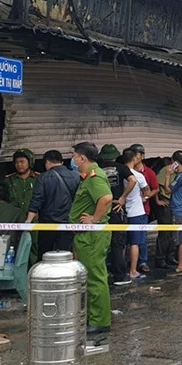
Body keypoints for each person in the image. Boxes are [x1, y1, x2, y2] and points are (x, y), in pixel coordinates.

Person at [69, 142, 113, 334]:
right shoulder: (88, 177)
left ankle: (100, 321)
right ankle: (92, 316)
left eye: (74, 156)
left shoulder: (95, 177)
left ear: (82, 158)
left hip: (93, 236)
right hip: (86, 235)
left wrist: (94, 219)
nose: (72, 159)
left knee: (95, 277)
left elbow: (106, 198)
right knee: (89, 276)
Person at [26, 150, 80, 260]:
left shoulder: (43, 178)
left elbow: (37, 199)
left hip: (47, 224)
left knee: (45, 255)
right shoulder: (75, 176)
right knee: (65, 255)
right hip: (68, 223)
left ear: (47, 163)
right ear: (61, 162)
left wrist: (28, 221)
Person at [99, 144, 137, 286]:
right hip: (116, 207)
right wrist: (122, 197)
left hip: (102, 208)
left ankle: (103, 271)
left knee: (102, 241)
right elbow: (133, 181)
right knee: (117, 243)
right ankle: (119, 275)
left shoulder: (98, 169)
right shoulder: (121, 167)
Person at [129, 144, 160, 273]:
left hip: (143, 209)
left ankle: (142, 261)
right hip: (129, 209)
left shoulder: (149, 173)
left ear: (142, 156)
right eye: (133, 155)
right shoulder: (127, 172)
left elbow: (156, 188)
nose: (135, 158)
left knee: (141, 238)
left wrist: (147, 198)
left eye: (137, 155)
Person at [6, 149, 40, 262]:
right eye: (17, 162)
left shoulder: (38, 179)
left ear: (29, 162)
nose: (19, 165)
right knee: (14, 247)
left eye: (22, 161)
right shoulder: (9, 180)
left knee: (34, 247)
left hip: (34, 221)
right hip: (15, 220)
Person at [121, 149, 150, 280]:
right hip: (136, 212)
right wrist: (143, 196)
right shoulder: (138, 176)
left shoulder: (118, 173)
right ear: (134, 159)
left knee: (121, 243)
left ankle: (120, 269)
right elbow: (147, 192)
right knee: (135, 243)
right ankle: (133, 270)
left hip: (121, 211)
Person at [165, 150, 182, 276]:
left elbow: (168, 190)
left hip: (180, 211)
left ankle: (181, 266)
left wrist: (167, 175)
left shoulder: (181, 176)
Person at [154, 157, 176, 269]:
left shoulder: (178, 171)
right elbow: (156, 186)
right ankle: (160, 258)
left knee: (171, 233)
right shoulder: (166, 170)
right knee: (165, 233)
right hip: (165, 203)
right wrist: (158, 201)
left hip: (173, 203)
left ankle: (170, 256)